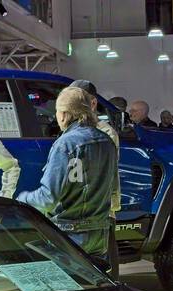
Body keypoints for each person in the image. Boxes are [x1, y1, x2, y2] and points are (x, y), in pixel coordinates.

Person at [16, 87, 117, 265]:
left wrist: (21, 199)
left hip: (70, 235)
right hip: (100, 235)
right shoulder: (106, 141)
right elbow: (112, 187)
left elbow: (48, 198)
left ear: (63, 114)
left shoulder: (66, 144)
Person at [70, 80, 122, 277]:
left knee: (106, 265)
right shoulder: (71, 131)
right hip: (77, 209)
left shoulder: (106, 133)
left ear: (92, 104)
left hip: (99, 208)